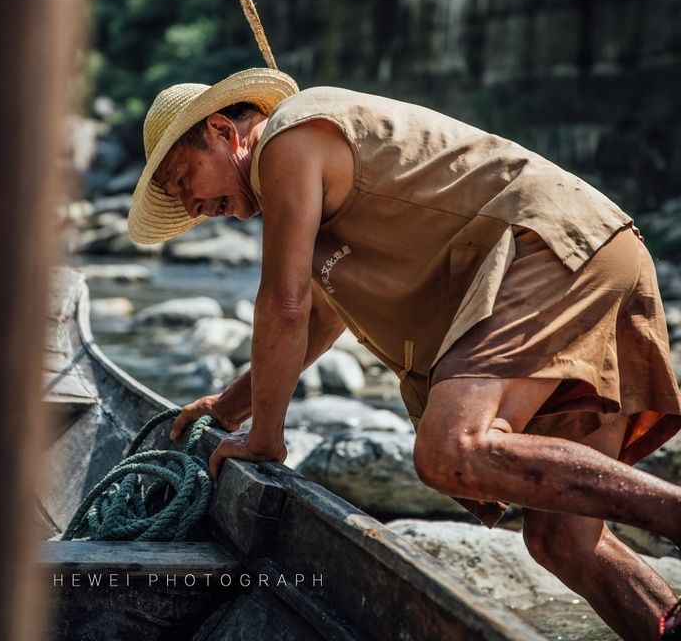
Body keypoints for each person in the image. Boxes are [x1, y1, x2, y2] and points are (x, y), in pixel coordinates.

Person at [128, 67, 681, 641]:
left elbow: (283, 307)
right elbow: (318, 317)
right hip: (596, 251)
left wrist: (265, 438)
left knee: (451, 450)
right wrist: (230, 408)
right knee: (564, 544)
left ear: (222, 131)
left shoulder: (287, 141)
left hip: (553, 251)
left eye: (180, 177)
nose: (190, 207)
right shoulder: (308, 184)